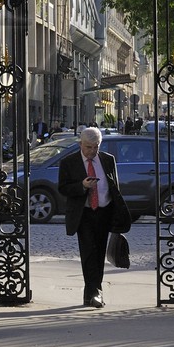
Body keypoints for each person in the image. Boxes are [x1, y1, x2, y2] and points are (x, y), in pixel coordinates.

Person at [58, 126, 130, 308]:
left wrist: (117, 214)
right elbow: (63, 188)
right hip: (84, 214)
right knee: (89, 252)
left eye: (95, 147)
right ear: (80, 144)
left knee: (98, 254)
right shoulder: (69, 162)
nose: (91, 151)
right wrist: (81, 186)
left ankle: (91, 294)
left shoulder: (107, 160)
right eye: (88, 147)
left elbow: (115, 187)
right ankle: (95, 293)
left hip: (104, 211)